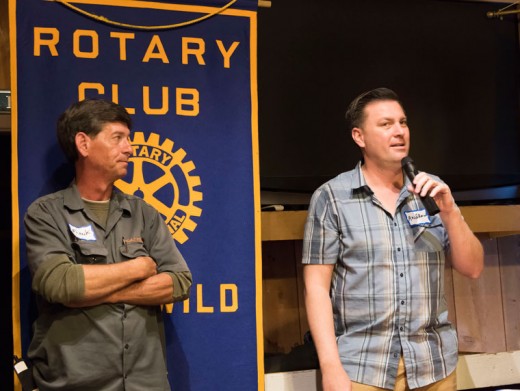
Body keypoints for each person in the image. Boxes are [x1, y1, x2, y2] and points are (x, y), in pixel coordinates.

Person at [302, 87, 484, 391]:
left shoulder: (432, 191)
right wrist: (331, 367)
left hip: (433, 367)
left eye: (403, 122)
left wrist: (450, 211)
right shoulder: (332, 198)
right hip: (363, 370)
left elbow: (473, 268)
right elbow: (316, 288)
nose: (399, 131)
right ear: (359, 137)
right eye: (386, 124)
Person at [24, 99, 193, 390]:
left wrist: (93, 293)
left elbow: (179, 282)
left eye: (128, 139)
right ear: (83, 144)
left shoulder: (144, 213)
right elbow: (60, 283)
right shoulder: (46, 213)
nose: (129, 148)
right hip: (75, 383)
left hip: (145, 382)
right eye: (117, 138)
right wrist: (140, 267)